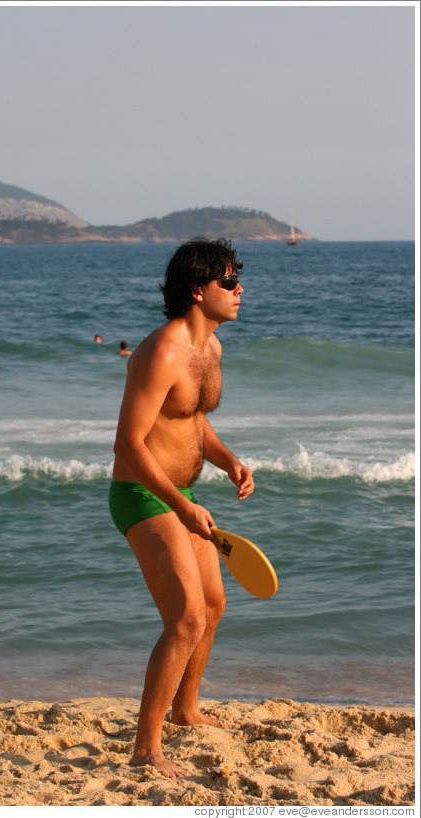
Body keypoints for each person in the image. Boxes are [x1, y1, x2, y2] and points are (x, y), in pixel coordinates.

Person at [109, 238, 254, 778]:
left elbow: (190, 422)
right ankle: (145, 748)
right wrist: (180, 506)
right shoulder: (161, 351)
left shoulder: (210, 348)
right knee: (186, 618)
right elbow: (129, 444)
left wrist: (229, 462)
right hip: (142, 494)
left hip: (181, 496)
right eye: (229, 281)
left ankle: (185, 710)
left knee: (213, 606)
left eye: (239, 278)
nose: (240, 290)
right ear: (199, 291)